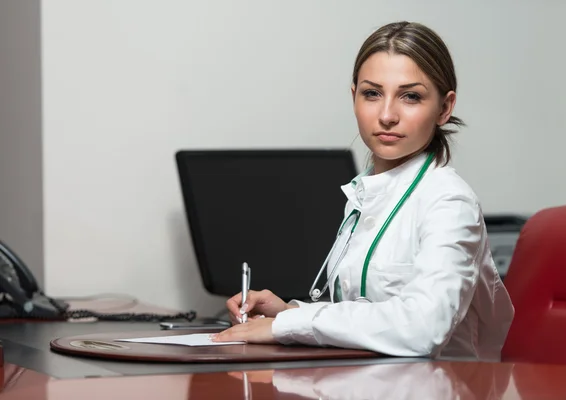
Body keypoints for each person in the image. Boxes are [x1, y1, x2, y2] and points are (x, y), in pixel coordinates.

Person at [212, 21, 514, 361]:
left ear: (444, 108)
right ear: (353, 95)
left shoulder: (448, 200)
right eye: (372, 93)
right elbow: (364, 311)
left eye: (410, 96)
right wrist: (285, 312)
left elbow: (423, 327)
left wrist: (293, 324)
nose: (386, 115)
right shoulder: (368, 192)